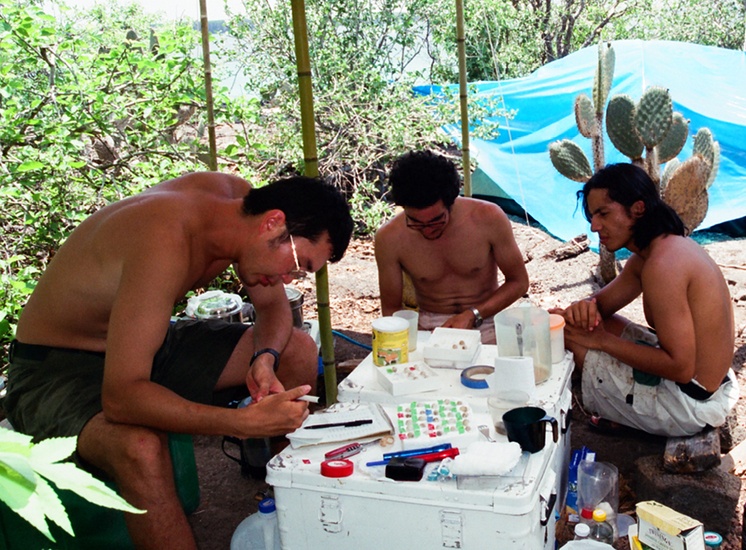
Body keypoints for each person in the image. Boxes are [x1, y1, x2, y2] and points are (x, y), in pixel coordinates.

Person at [3, 172, 353, 550]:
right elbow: (121, 397)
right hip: (53, 370)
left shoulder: (239, 205)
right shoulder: (164, 238)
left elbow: (273, 311)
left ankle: (286, 499)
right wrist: (240, 422)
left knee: (296, 349)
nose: (288, 276)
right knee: (139, 448)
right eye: (297, 265)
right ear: (274, 223)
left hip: (142, 344)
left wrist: (263, 359)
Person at [551, 163, 738, 438]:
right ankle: (627, 411)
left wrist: (600, 341)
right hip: (713, 383)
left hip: (690, 401)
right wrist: (578, 312)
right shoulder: (655, 252)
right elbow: (600, 308)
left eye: (603, 213)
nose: (594, 226)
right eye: (592, 216)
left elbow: (681, 368)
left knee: (574, 342)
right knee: (583, 328)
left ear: (638, 208)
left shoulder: (663, 265)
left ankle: (632, 419)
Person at [375, 150, 529, 344]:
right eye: (415, 223)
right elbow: (391, 310)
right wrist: (416, 336)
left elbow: (519, 282)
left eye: (436, 221)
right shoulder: (389, 238)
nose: (428, 231)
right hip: (429, 326)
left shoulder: (488, 217)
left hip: (487, 319)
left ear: (451, 202)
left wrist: (473, 314)